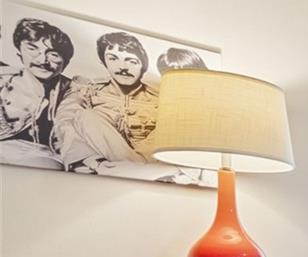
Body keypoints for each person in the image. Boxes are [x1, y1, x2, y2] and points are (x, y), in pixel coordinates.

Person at [55, 31, 192, 181]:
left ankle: (137, 171)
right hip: (107, 164)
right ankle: (140, 172)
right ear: (103, 62)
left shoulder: (160, 99)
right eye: (113, 59)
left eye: (131, 61)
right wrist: (90, 159)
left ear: (144, 66)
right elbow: (65, 122)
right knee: (84, 116)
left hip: (149, 163)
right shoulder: (87, 89)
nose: (122, 67)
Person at [7, 17, 74, 153]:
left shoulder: (76, 90)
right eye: (32, 49)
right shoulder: (5, 83)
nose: (43, 60)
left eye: (53, 54)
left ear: (65, 63)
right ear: (19, 54)